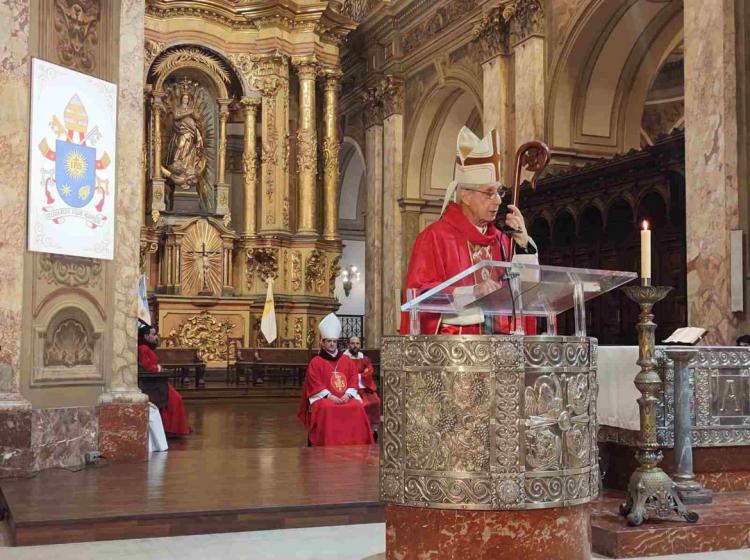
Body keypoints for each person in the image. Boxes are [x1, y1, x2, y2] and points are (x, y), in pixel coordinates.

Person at [400, 126, 538, 336]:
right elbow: (418, 296)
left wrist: (523, 244)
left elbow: (525, 293)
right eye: (489, 193)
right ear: (465, 195)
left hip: (500, 349)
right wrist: (471, 293)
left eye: (499, 191)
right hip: (456, 353)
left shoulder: (501, 240)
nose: (499, 200)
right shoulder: (435, 237)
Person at [298, 314, 374, 446]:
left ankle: (356, 443)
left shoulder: (346, 360)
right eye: (329, 341)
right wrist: (330, 396)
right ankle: (327, 443)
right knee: (327, 408)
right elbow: (314, 383)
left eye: (334, 341)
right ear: (322, 343)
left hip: (345, 397)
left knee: (357, 406)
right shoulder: (316, 362)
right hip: (324, 398)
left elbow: (353, 377)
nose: (332, 344)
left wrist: (348, 394)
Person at [137, 322, 190, 436]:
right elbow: (148, 367)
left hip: (158, 380)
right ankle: (173, 429)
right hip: (153, 382)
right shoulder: (143, 348)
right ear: (146, 336)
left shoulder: (146, 348)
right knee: (176, 400)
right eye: (153, 334)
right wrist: (159, 368)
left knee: (176, 399)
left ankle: (175, 428)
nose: (156, 336)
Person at [343, 336, 380, 436]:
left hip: (364, 386)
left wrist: (360, 376)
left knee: (375, 401)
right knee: (360, 404)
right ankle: (358, 430)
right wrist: (360, 375)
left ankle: (373, 430)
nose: (355, 346)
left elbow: (370, 370)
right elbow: (343, 374)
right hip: (349, 388)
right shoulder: (343, 358)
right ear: (348, 344)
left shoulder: (364, 358)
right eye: (352, 343)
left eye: (357, 343)